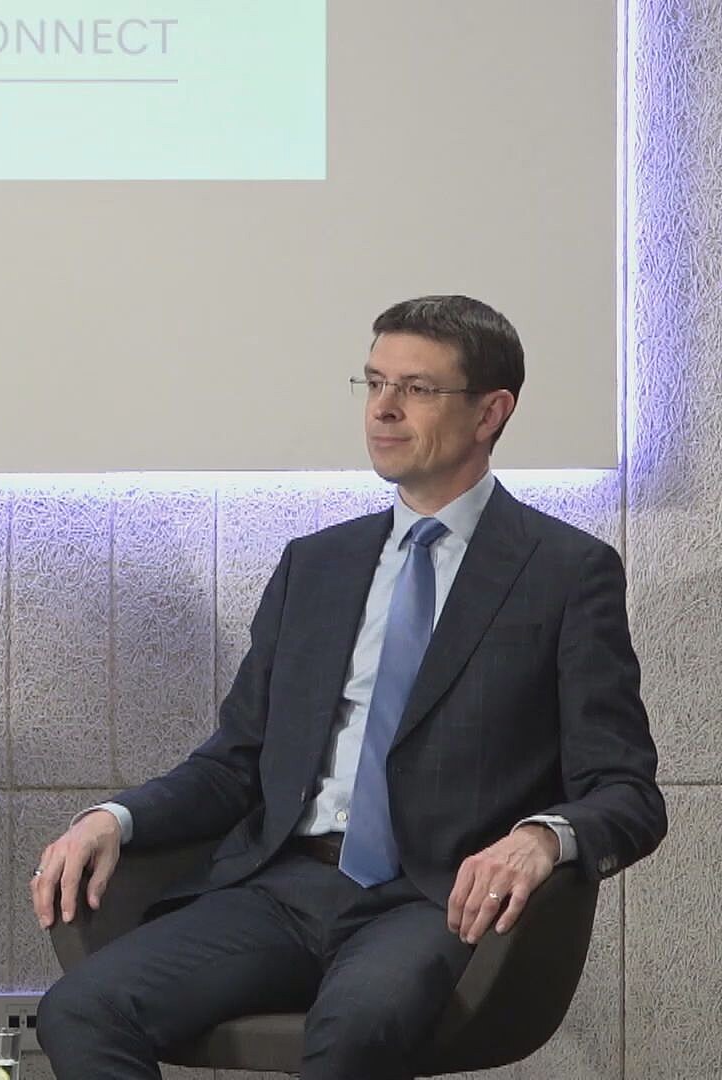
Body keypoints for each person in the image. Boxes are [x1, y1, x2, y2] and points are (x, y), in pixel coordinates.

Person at [32, 295, 667, 1080]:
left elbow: (628, 793)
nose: (383, 410)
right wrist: (115, 818)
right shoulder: (316, 565)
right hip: (285, 888)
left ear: (490, 412)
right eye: (373, 383)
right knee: (80, 1009)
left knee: (356, 1030)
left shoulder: (565, 573)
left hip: (431, 899)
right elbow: (236, 761)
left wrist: (541, 837)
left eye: (416, 389)